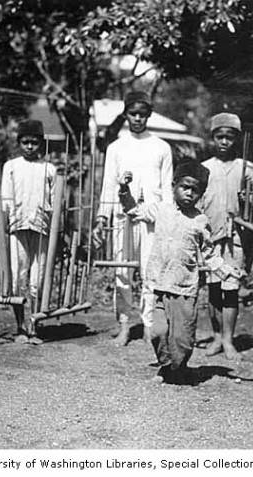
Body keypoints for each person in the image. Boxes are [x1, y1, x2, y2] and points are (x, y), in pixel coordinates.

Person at [145, 159, 242, 384]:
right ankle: (166, 367)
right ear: (174, 185)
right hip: (160, 284)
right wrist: (123, 190)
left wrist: (227, 271)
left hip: (185, 288)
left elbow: (209, 254)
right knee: (158, 332)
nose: (189, 193)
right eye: (185, 187)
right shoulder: (161, 210)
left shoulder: (200, 220)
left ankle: (178, 368)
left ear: (201, 194)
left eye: (195, 190)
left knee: (183, 338)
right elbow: (133, 209)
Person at [93, 91, 173, 346]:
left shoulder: (161, 147)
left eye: (142, 114)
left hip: (152, 216)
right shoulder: (116, 147)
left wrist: (168, 217)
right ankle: (125, 325)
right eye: (133, 114)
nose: (138, 119)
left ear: (149, 115)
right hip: (121, 216)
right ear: (126, 115)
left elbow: (168, 188)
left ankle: (149, 325)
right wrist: (102, 217)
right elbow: (107, 185)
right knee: (122, 271)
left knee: (151, 271)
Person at [200, 112, 253, 360]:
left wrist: (247, 199)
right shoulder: (205, 168)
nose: (224, 142)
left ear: (236, 138)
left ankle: (230, 340)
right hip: (211, 237)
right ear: (213, 138)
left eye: (229, 137)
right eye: (219, 137)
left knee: (231, 288)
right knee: (213, 287)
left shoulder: (246, 169)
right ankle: (217, 336)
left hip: (236, 237)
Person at [1, 119, 56, 344]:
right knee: (17, 276)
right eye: (25, 142)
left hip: (42, 227)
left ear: (41, 144)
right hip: (17, 226)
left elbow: (55, 202)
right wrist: (1, 225)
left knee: (38, 278)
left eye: (34, 142)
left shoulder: (49, 169)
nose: (30, 147)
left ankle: (34, 326)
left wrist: (57, 231)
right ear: (19, 143)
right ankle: (19, 327)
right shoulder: (11, 166)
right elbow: (5, 198)